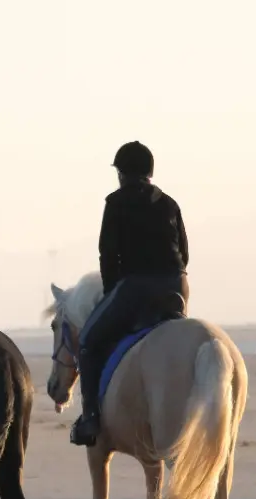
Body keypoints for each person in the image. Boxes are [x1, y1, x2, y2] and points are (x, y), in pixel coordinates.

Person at [69, 140, 190, 447]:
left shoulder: (116, 202)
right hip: (177, 287)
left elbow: (108, 258)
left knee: (87, 342)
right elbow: (184, 254)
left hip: (136, 287)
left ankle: (91, 419)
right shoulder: (169, 203)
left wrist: (112, 297)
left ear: (122, 173)